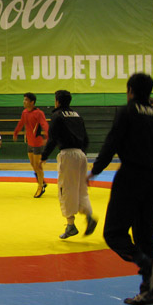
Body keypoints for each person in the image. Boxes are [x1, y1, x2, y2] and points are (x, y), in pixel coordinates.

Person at [87, 73, 153, 305]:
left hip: (130, 176)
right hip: (152, 178)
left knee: (114, 234)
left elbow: (111, 143)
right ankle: (149, 291)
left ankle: (148, 267)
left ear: (130, 90)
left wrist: (95, 170)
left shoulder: (127, 112)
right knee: (145, 236)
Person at [40, 90, 98, 239]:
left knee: (65, 189)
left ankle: (70, 225)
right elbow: (86, 138)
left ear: (57, 101)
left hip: (68, 154)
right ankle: (89, 215)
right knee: (81, 189)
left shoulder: (57, 116)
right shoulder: (77, 115)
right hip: (81, 155)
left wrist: (44, 156)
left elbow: (52, 138)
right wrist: (82, 152)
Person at [13, 92, 49, 197]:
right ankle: (42, 181)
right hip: (30, 142)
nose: (24, 102)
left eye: (26, 100)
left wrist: (48, 137)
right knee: (33, 165)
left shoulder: (39, 113)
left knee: (38, 166)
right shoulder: (24, 112)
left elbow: (44, 125)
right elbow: (21, 123)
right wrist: (16, 132)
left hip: (37, 143)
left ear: (32, 102)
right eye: (24, 99)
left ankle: (40, 187)